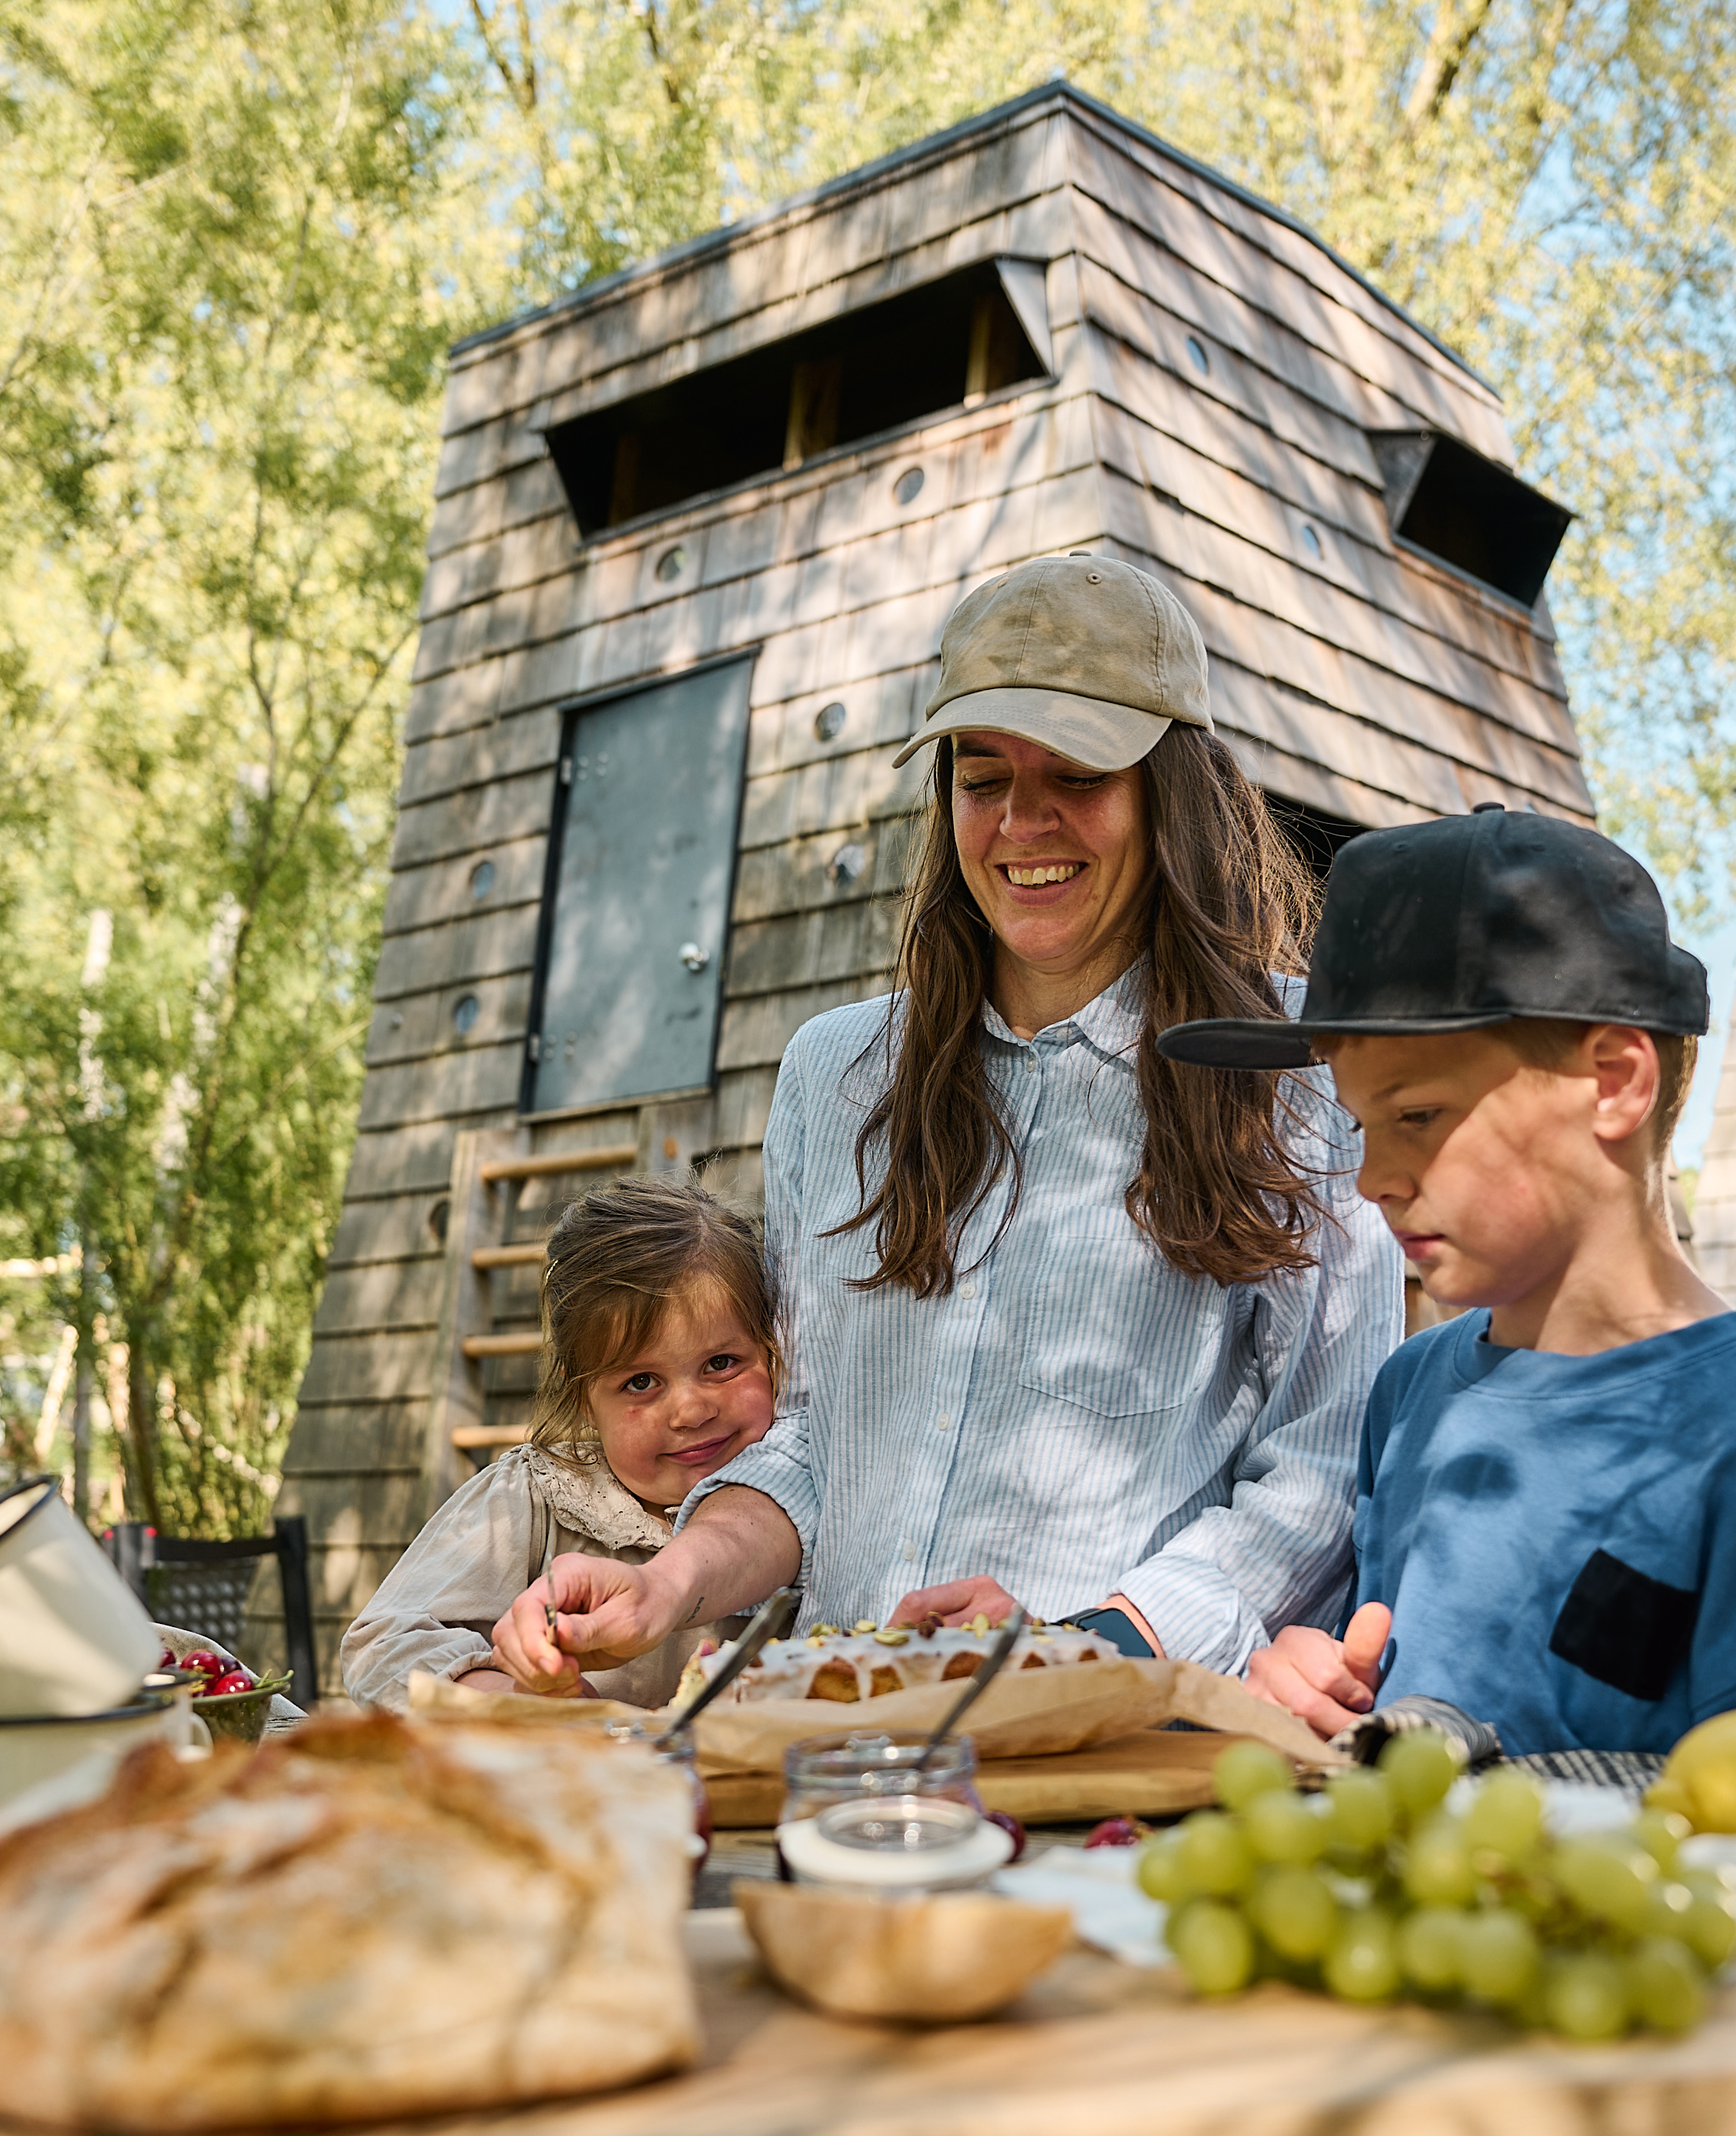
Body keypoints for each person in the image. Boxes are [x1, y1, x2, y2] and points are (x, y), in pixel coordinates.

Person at [493, 554, 1400, 1692]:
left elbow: (1321, 1475)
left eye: (1075, 771)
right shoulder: (835, 1074)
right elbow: (809, 1441)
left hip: (1117, 1752)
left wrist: (1084, 1639)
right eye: (981, 777)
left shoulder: (1298, 1070)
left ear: (1175, 792)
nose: (1023, 820)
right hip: (835, 1732)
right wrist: (673, 1577)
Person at [1161, 808, 1736, 1767]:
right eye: (1361, 1124)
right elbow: (1381, 1695)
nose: (1371, 1177)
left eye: (1417, 1114)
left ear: (1615, 1082)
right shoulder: (1409, 1395)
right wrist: (1310, 1679)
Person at [337, 1176, 777, 1709]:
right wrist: (522, 1702)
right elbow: (379, 1647)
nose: (690, 1410)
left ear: (774, 1348)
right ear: (585, 1397)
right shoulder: (539, 1497)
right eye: (640, 1381)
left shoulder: (810, 1490)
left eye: (721, 1363)